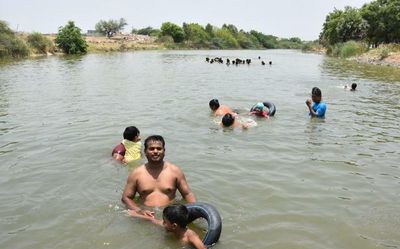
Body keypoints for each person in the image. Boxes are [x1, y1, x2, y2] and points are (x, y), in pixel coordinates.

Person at [121, 135, 196, 217]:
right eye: (151, 149)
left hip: (170, 215)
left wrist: (194, 211)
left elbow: (187, 194)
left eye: (159, 148)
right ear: (145, 151)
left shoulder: (175, 171)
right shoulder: (136, 174)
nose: (155, 151)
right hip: (145, 215)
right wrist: (139, 210)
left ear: (164, 151)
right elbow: (126, 198)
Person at [127, 204, 206, 249]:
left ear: (174, 225)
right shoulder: (170, 227)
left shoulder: (190, 236)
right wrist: (135, 215)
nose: (163, 223)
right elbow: (152, 220)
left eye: (164, 221)